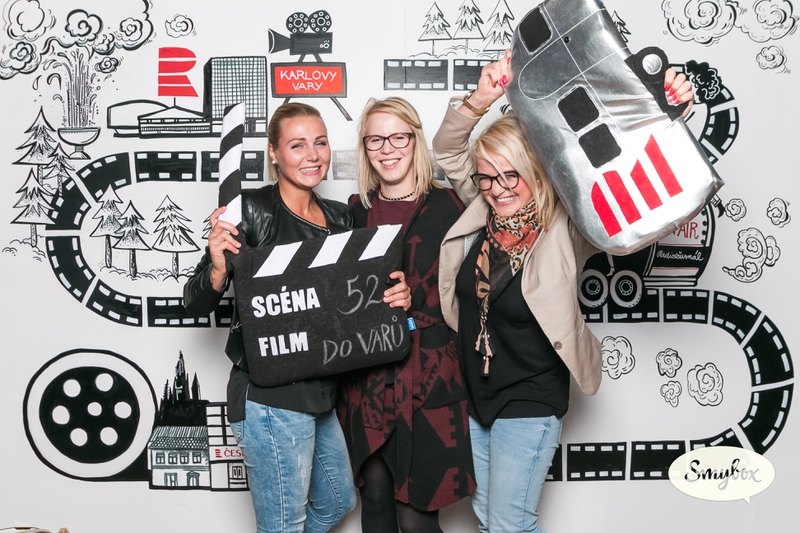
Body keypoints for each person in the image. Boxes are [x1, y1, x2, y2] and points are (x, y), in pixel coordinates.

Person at [432, 52, 695, 533]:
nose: (497, 188)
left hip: (530, 397)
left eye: (510, 175)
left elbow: (638, 197)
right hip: (475, 393)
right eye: (486, 176)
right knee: (489, 521)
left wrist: (667, 112)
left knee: (509, 523)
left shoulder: (569, 225)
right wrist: (481, 98)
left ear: (535, 171)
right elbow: (448, 151)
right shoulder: (482, 210)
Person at [183, 102, 410, 533]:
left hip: (321, 392)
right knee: (284, 525)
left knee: (338, 501)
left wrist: (395, 296)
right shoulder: (249, 210)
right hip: (269, 396)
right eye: (297, 145)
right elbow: (193, 303)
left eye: (320, 143)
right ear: (273, 153)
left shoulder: (341, 217)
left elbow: (355, 300)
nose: (312, 155)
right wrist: (217, 268)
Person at [337, 97, 475, 533]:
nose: (387, 149)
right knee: (376, 504)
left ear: (415, 140)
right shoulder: (353, 212)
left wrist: (416, 302)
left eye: (398, 137)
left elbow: (476, 288)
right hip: (367, 382)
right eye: (375, 139)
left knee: (417, 518)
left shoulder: (452, 205)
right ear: (364, 147)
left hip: (431, 378)